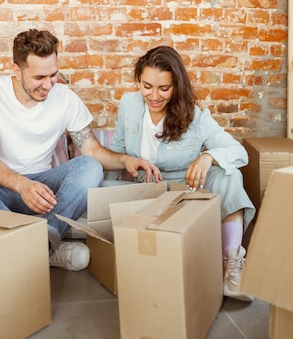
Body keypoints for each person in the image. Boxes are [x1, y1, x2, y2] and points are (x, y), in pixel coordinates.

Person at [0, 29, 161, 272]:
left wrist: (127, 160)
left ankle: (36, 241)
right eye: (39, 77)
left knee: (90, 167)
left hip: (44, 195)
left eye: (53, 75)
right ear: (16, 70)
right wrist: (22, 186)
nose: (48, 85)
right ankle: (43, 248)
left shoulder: (65, 98)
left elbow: (92, 151)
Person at [107, 45, 256, 301]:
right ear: (138, 81)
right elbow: (118, 150)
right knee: (94, 192)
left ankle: (230, 262)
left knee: (230, 176)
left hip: (185, 189)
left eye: (164, 88)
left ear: (177, 86)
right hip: (146, 188)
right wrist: (124, 165)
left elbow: (238, 152)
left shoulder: (196, 116)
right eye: (146, 86)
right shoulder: (129, 104)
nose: (153, 96)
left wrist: (208, 156)